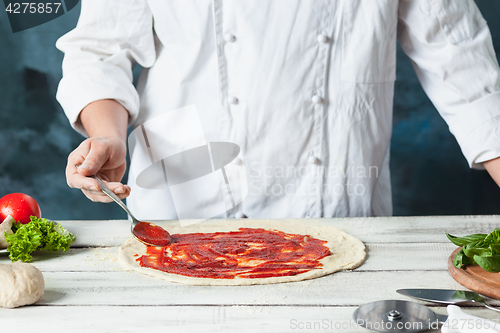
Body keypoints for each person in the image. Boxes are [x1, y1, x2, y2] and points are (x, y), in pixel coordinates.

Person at [57, 0, 500, 220]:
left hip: (334, 209)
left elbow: (464, 69)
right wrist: (108, 135)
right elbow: (99, 50)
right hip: (183, 204)